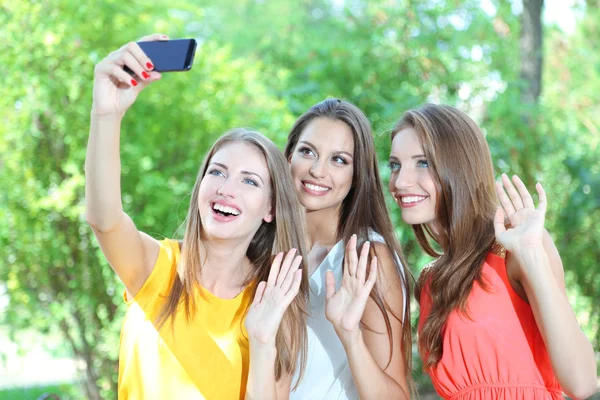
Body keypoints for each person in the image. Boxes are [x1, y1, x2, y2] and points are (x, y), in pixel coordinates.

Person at [85, 34, 310, 400]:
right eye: (217, 172)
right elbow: (103, 217)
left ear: (270, 209)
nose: (226, 188)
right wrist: (106, 114)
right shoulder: (156, 267)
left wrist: (263, 338)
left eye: (249, 181)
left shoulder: (273, 301)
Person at [388, 103, 598, 399]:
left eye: (422, 162)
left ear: (459, 167)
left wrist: (531, 256)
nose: (400, 181)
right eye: (395, 165)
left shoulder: (514, 246)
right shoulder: (431, 281)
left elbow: (582, 382)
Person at [284, 98, 413, 399]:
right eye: (307, 152)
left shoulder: (368, 259)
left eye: (338, 160)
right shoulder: (264, 247)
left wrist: (350, 335)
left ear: (358, 176)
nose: (317, 170)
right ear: (288, 156)